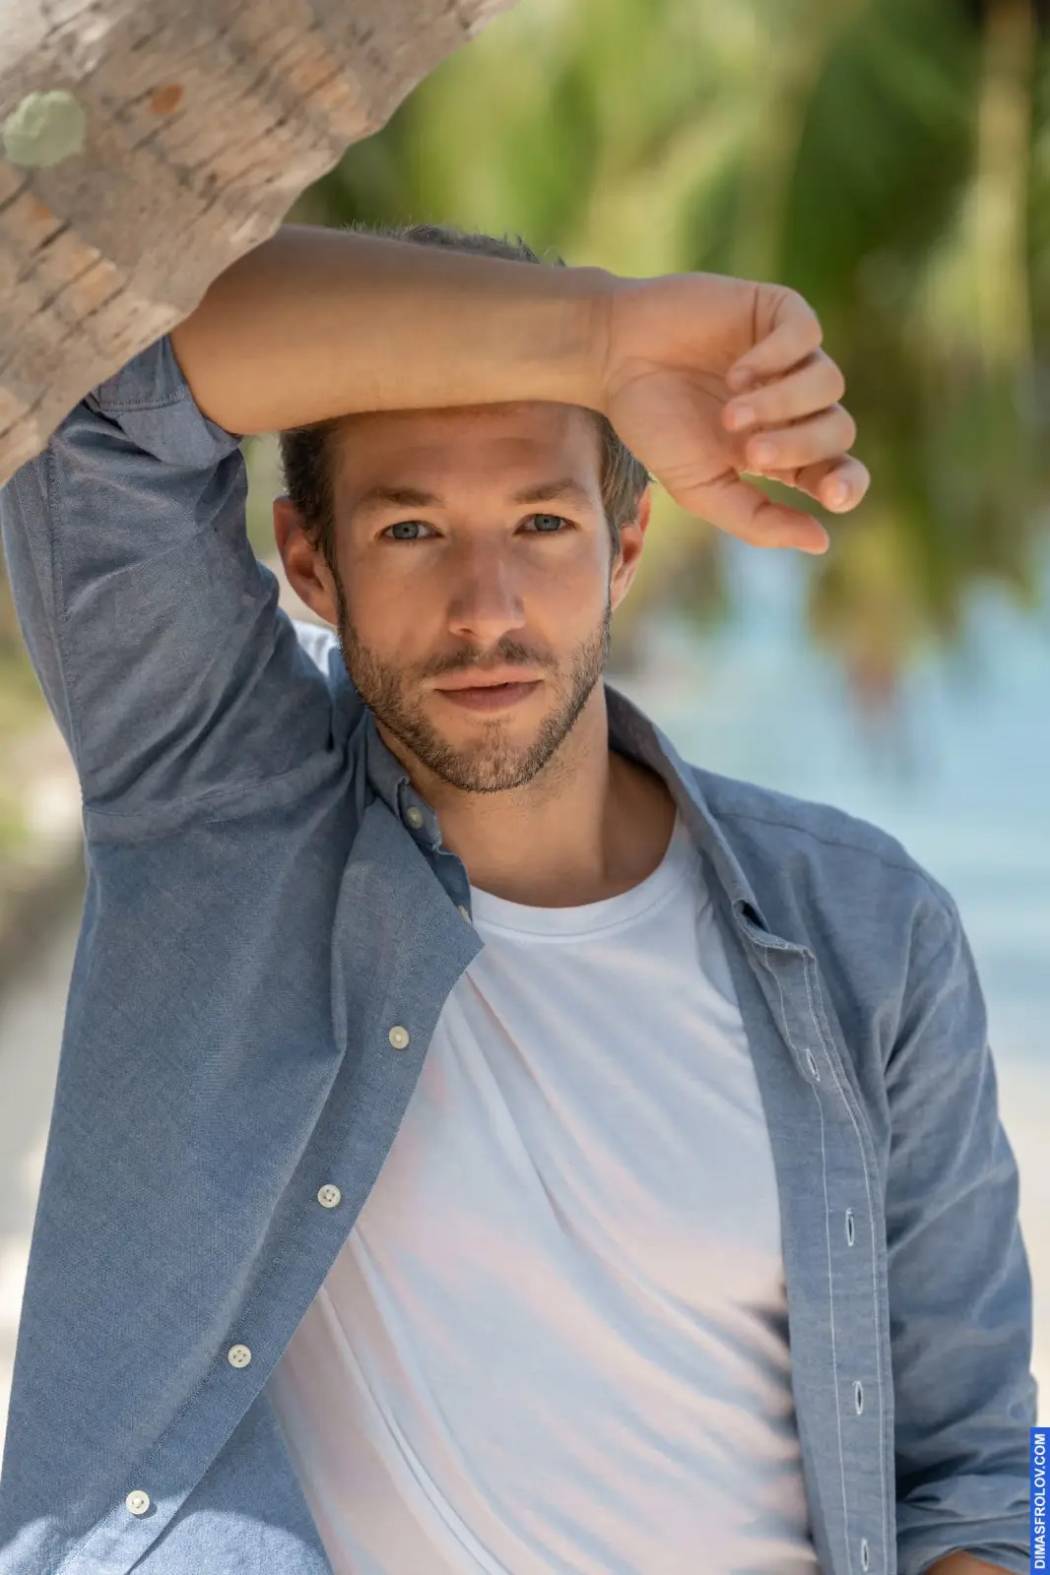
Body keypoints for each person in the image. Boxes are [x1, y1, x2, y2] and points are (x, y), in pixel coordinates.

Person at [0, 219, 1033, 1575]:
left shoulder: (863, 929)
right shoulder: (217, 806)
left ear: (624, 542)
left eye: (542, 522)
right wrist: (604, 342)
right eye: (413, 526)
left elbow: (962, 1475)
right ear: (310, 564)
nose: (486, 606)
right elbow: (89, 380)